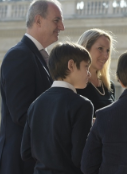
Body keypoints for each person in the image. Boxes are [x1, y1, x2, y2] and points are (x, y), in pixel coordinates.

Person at [0, 0, 65, 174]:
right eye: (57, 20)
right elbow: (22, 114)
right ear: (38, 20)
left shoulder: (41, 58)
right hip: (21, 164)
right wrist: (66, 125)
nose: (62, 27)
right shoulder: (19, 55)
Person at [21, 42, 93, 174]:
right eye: (86, 67)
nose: (89, 74)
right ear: (71, 65)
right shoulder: (82, 105)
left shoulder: (36, 103)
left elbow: (25, 152)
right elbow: (79, 158)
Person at [76, 28, 115, 116]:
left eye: (108, 50)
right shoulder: (75, 86)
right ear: (85, 49)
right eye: (100, 49)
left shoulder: (109, 86)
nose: (105, 56)